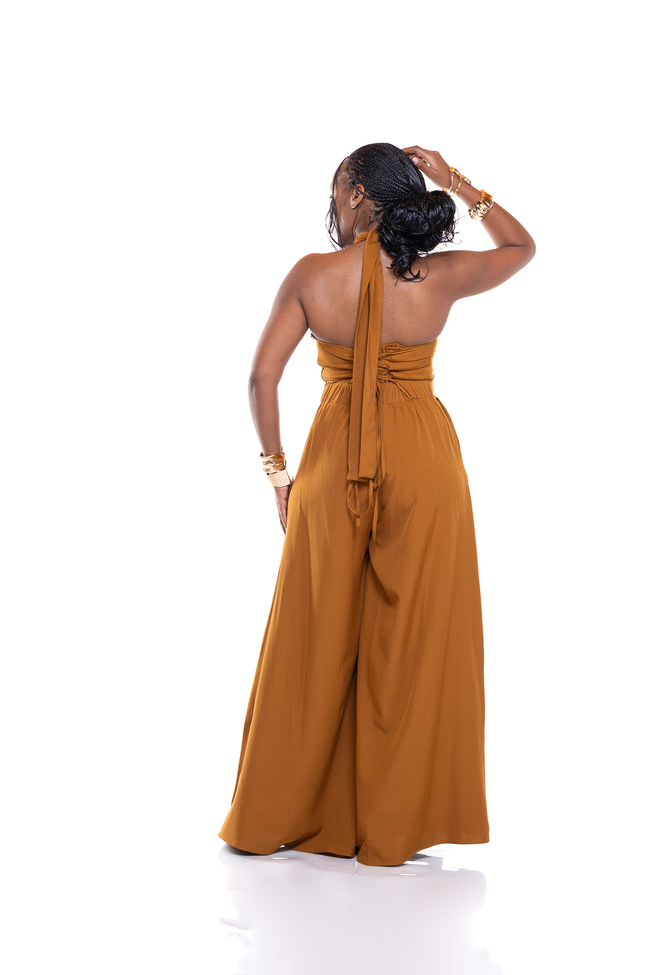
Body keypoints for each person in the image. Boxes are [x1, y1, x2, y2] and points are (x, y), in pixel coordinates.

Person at [218, 142, 536, 867]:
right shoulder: (436, 274)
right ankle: (393, 823)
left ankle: (277, 812)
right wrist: (457, 182)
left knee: (312, 629)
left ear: (359, 194)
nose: (333, 204)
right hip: (424, 458)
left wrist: (278, 475)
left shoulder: (311, 274)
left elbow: (261, 379)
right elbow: (520, 247)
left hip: (335, 456)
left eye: (338, 189)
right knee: (415, 635)